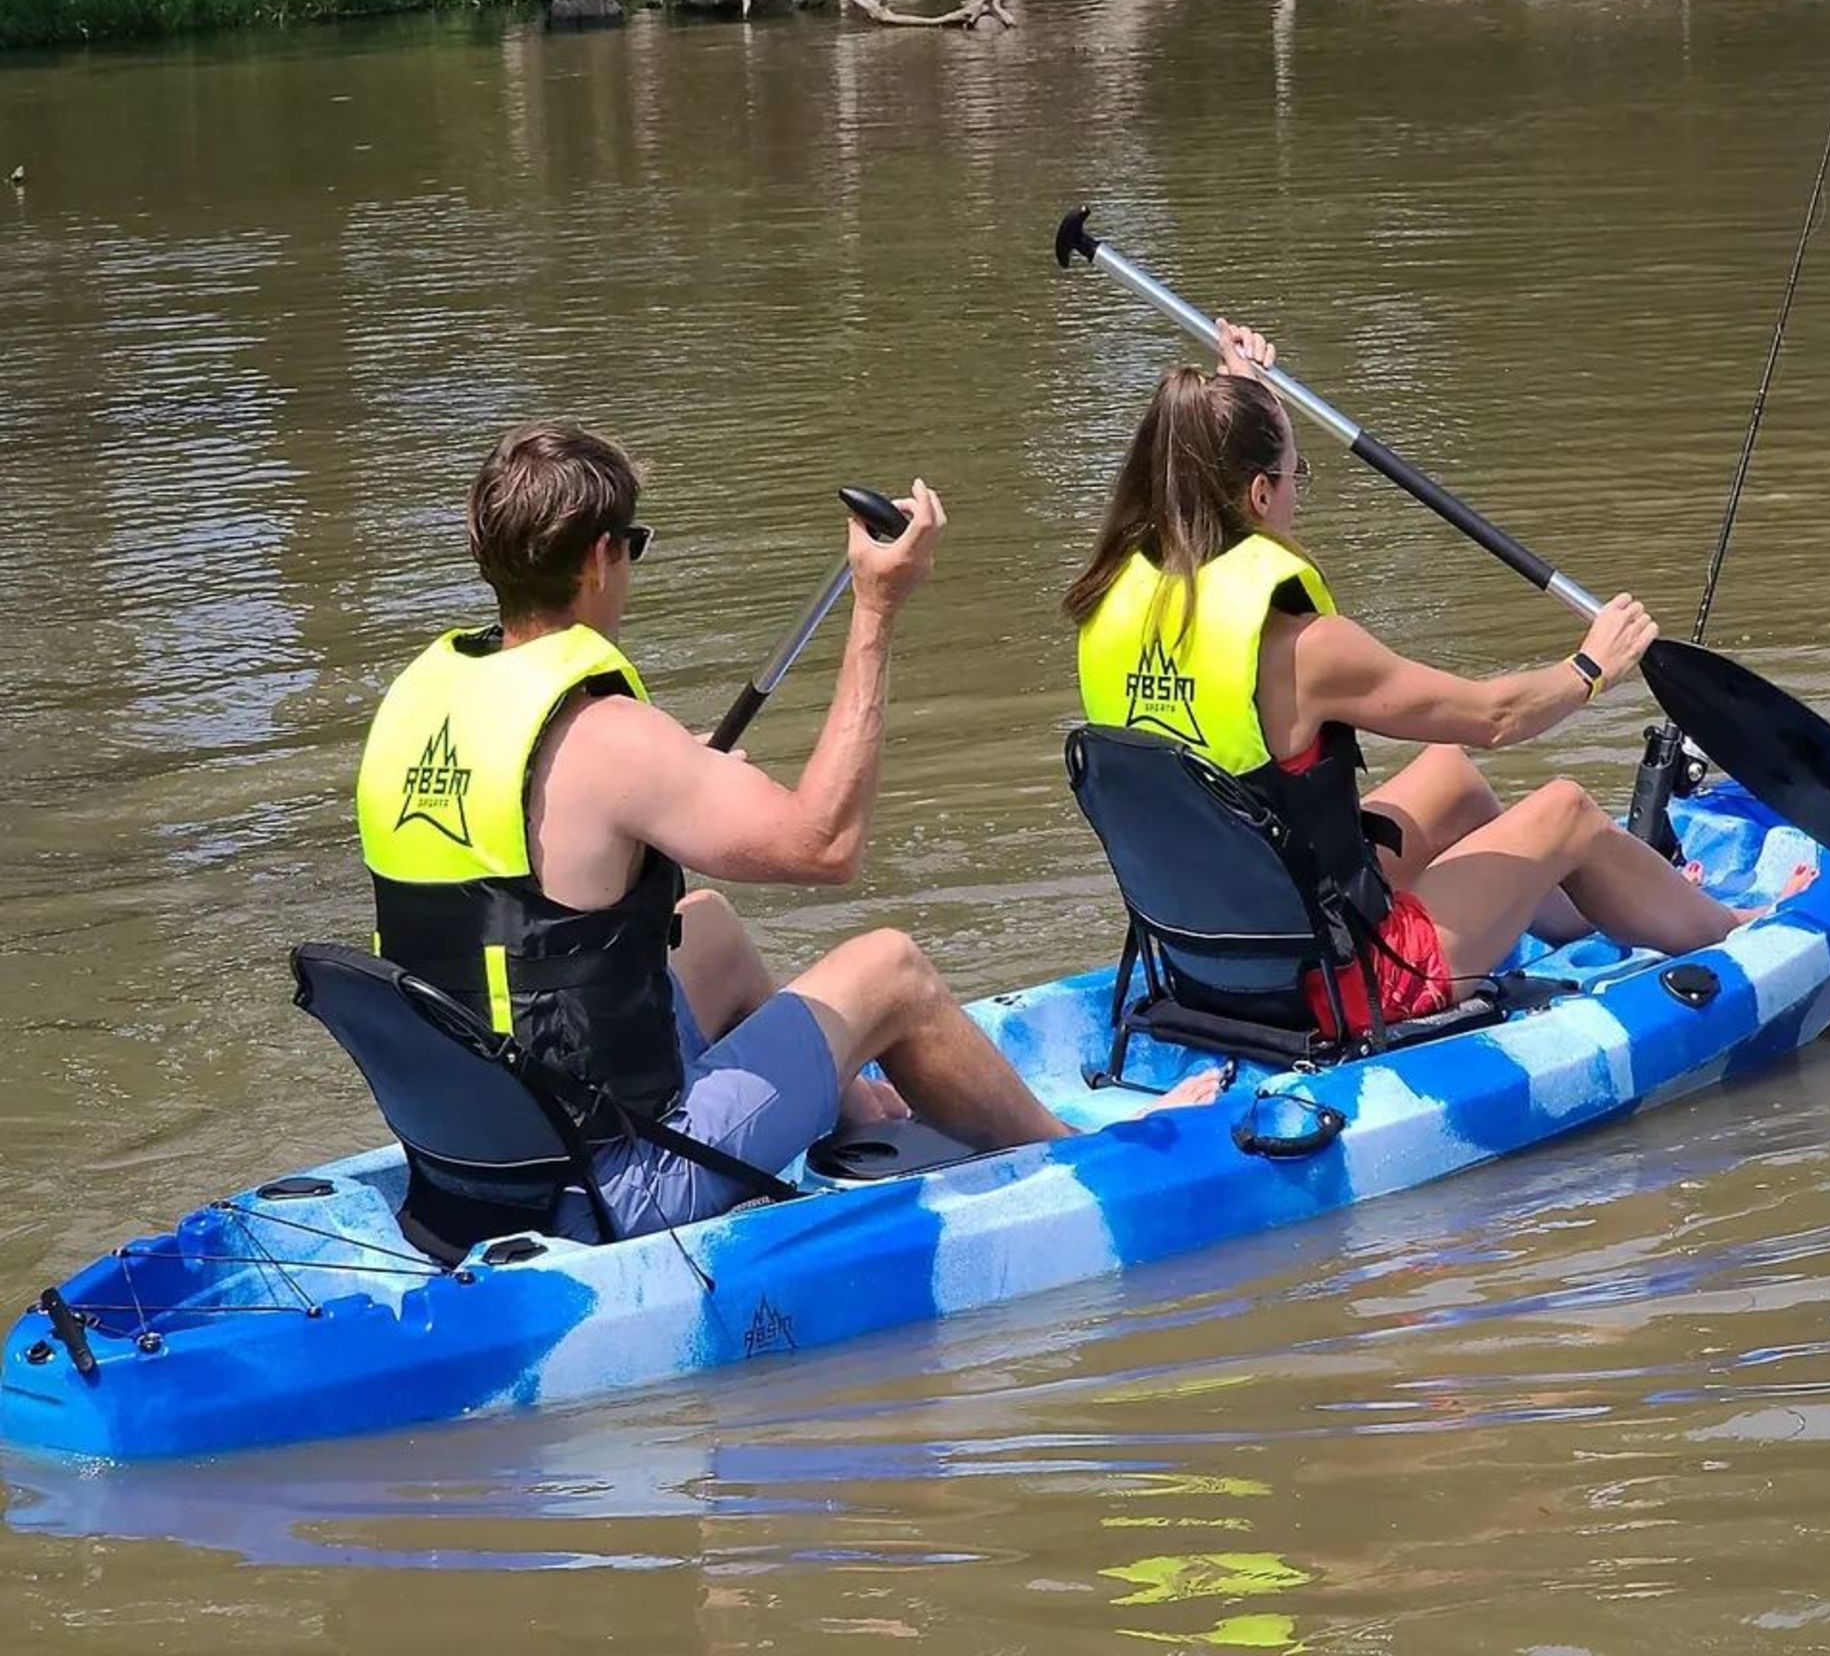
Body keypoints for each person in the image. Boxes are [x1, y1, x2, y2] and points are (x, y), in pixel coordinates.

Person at [356, 424, 1204, 1245]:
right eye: (633, 545)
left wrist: (661, 786)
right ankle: (1077, 1151)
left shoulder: (421, 706)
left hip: (476, 1165)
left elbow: (517, 875)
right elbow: (826, 846)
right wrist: (875, 610)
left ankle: (853, 1104)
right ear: (596, 558)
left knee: (712, 930)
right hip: (616, 1187)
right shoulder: (615, 738)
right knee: (890, 969)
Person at [1066, 323, 1811, 1041]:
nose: (1299, 495)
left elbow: (1210, 475)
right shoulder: (1305, 648)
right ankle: (1731, 927)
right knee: (1565, 810)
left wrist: (1242, 397)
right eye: (1296, 477)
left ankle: (1591, 906)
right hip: (1338, 990)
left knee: (1449, 779)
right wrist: (1591, 668)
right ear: (1259, 495)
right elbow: (1494, 717)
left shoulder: (1112, 609)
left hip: (1212, 965)